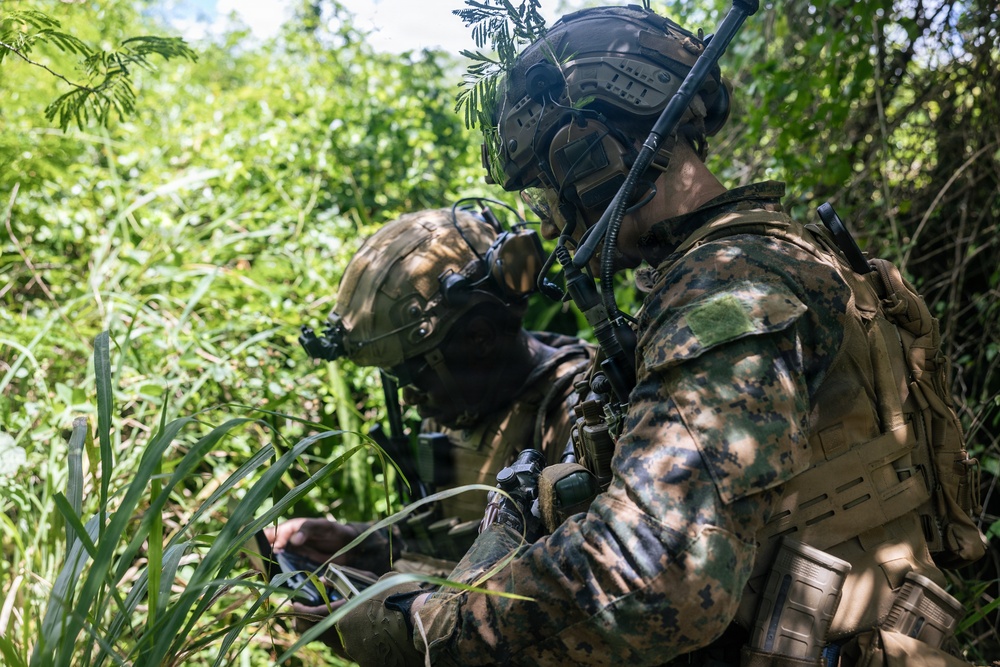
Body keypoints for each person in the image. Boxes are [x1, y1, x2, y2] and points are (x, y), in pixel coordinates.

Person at [333, 6, 986, 667]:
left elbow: (650, 572)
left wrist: (430, 623)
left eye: (549, 195)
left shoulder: (728, 287)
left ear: (589, 152)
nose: (555, 225)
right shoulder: (785, 257)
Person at [265, 206, 594, 628]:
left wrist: (397, 624)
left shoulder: (576, 417)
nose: (412, 400)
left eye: (415, 377)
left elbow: (570, 606)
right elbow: (456, 538)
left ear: (480, 339)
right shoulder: (462, 403)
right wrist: (361, 543)